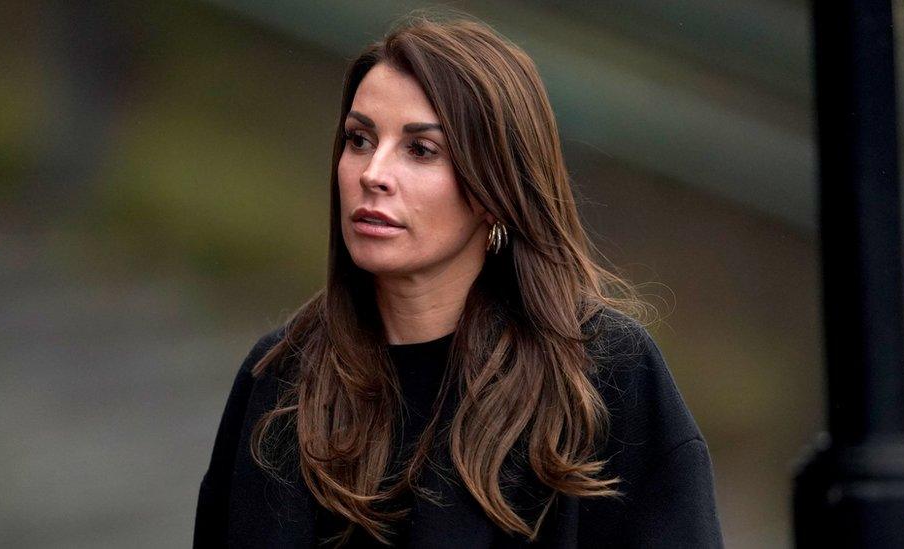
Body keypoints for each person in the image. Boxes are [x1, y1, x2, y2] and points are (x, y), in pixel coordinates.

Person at [194, 16, 723, 548]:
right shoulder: (283, 379)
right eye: (358, 139)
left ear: (495, 187)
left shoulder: (602, 376)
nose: (371, 173)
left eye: (420, 150)